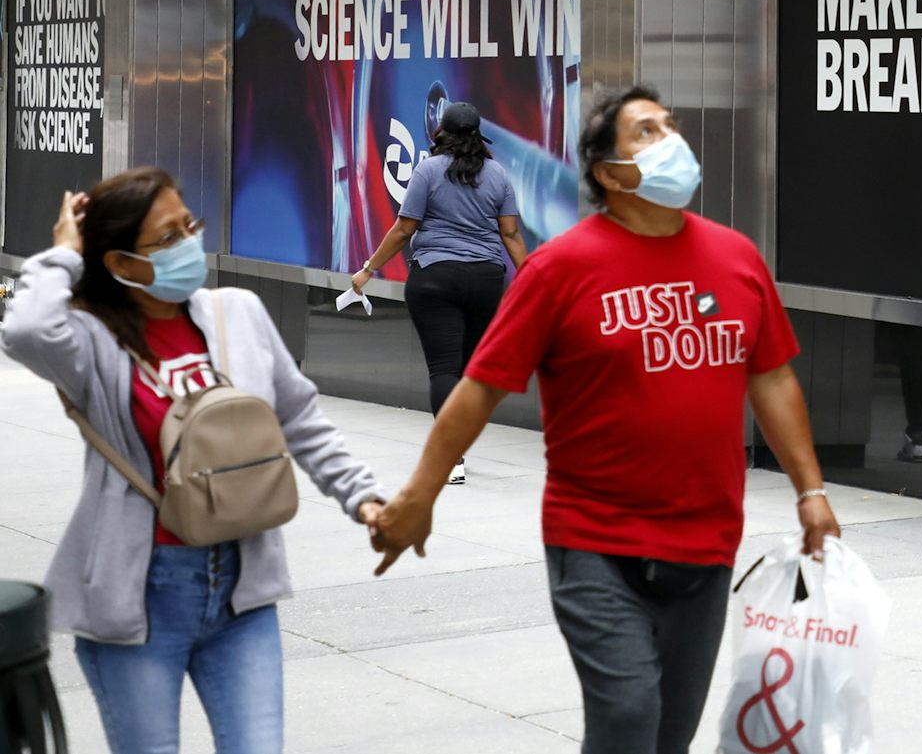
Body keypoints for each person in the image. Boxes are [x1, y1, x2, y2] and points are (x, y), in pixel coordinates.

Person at [368, 85, 842, 754]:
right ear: (608, 173)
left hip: (705, 544)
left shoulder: (737, 259)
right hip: (595, 539)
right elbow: (477, 389)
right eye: (647, 130)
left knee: (667, 737)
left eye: (671, 124)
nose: (672, 138)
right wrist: (419, 495)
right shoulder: (559, 269)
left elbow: (771, 376)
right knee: (626, 718)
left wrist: (811, 491)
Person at [0, 168, 386, 754]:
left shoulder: (239, 313)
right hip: (138, 598)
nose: (188, 244)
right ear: (122, 264)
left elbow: (299, 418)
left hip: (241, 590)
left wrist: (363, 497)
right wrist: (63, 254)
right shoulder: (91, 341)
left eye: (190, 225)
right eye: (167, 237)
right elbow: (25, 328)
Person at [352, 101, 528, 486]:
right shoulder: (497, 174)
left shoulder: (427, 170)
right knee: (466, 369)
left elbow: (404, 228)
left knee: (444, 368)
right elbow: (511, 234)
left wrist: (368, 269)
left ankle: (452, 456)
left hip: (435, 278)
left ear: (440, 133)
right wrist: (531, 277)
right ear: (478, 136)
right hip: (485, 279)